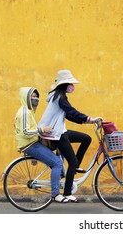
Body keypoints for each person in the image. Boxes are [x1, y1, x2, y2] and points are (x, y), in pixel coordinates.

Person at [38, 70, 102, 203]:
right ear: (64, 84)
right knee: (71, 162)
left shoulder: (59, 96)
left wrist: (86, 121)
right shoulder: (59, 98)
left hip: (60, 131)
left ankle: (75, 167)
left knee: (86, 139)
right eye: (70, 83)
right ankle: (67, 193)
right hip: (55, 134)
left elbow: (69, 115)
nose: (72, 86)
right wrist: (91, 119)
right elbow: (72, 112)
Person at [14, 87, 63, 201]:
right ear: (26, 97)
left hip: (31, 143)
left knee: (58, 152)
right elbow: (25, 132)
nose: (35, 99)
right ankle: (55, 194)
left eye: (36, 96)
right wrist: (42, 130)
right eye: (32, 96)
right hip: (30, 144)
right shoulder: (25, 112)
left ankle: (57, 177)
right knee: (57, 163)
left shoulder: (28, 110)